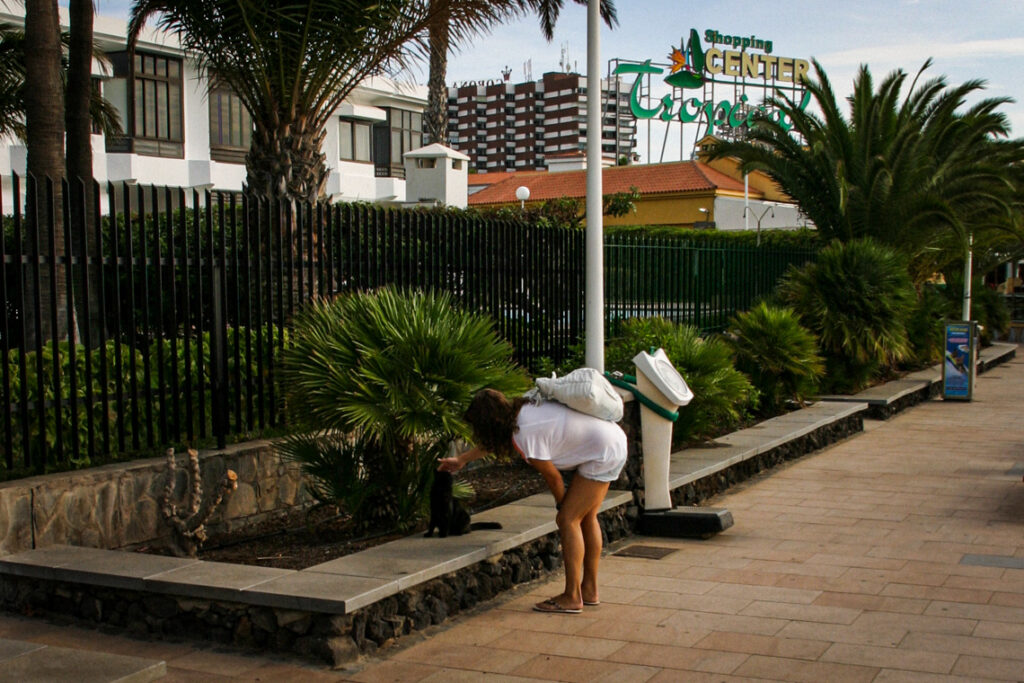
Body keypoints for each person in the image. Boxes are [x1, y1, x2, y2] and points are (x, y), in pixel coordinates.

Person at [437, 388, 627, 614]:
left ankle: (572, 596)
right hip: (610, 441)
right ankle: (589, 590)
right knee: (585, 517)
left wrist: (562, 508)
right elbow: (496, 441)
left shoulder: (524, 435)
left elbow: (554, 477)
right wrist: (462, 459)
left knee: (568, 520)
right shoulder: (523, 409)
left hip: (603, 452)